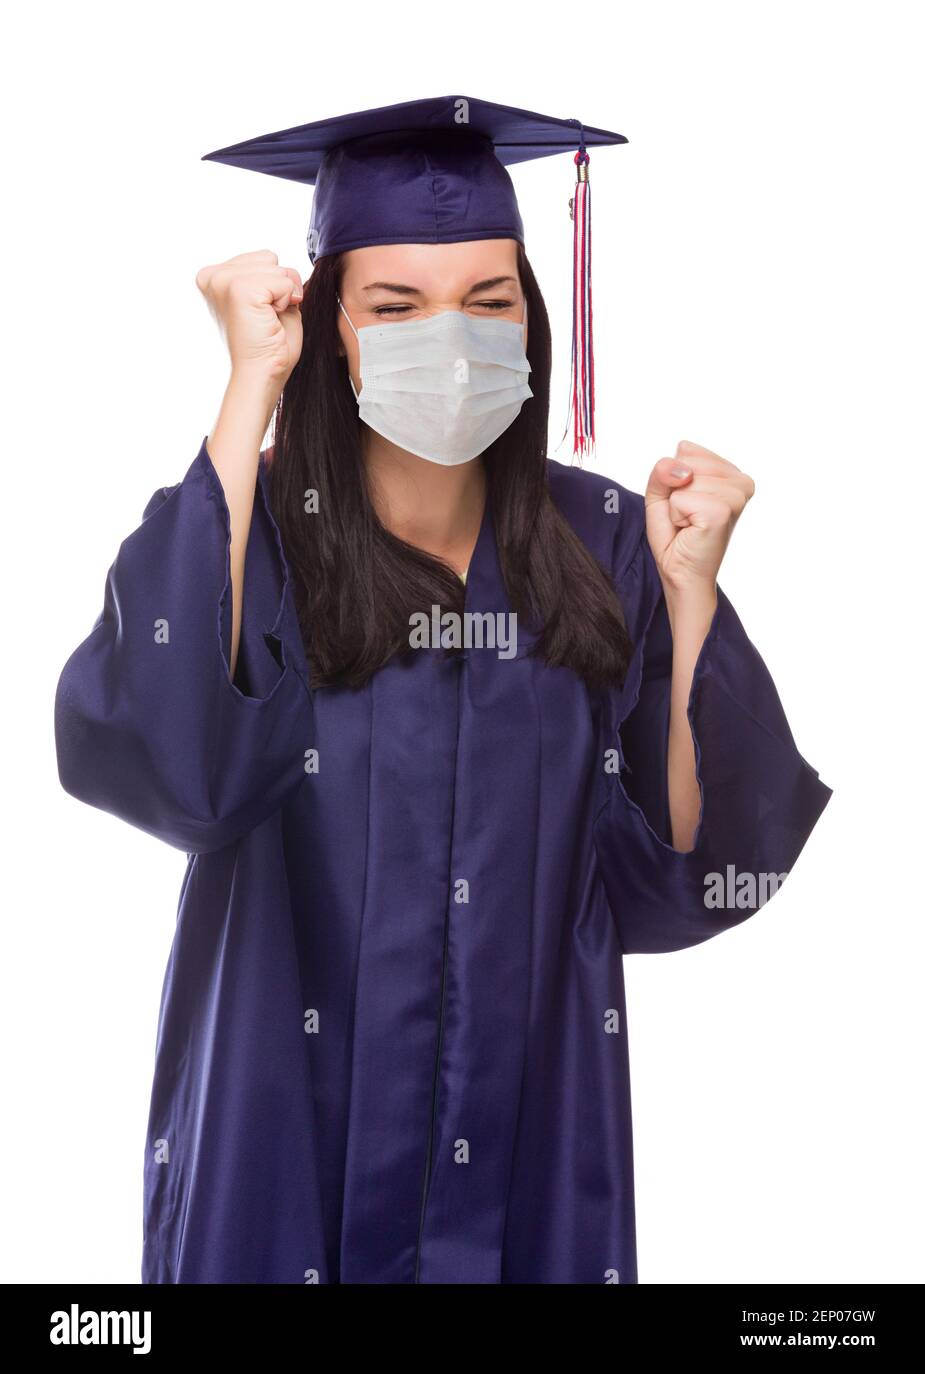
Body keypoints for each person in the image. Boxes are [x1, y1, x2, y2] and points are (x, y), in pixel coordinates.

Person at [53, 96, 833, 1284]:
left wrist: (687, 595)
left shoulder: (608, 540)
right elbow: (180, 779)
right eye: (394, 304)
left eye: (488, 299)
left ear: (532, 315)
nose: (452, 338)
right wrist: (245, 394)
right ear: (330, 326)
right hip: (280, 1151)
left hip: (528, 1157)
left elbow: (677, 876)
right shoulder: (249, 525)